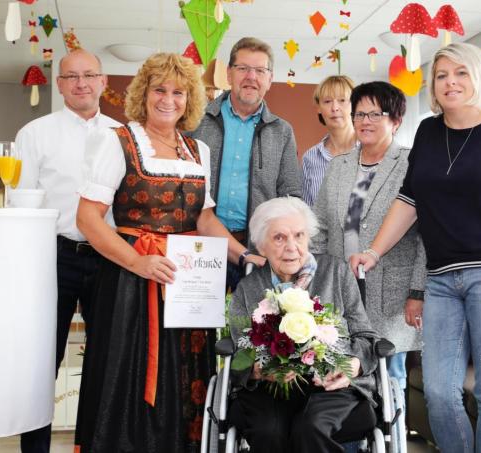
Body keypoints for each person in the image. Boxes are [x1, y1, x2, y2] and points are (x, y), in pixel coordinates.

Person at [350, 42, 481, 453]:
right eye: (442, 75)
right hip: (441, 280)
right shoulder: (428, 131)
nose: (450, 82)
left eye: (461, 73)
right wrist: (373, 252)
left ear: (478, 76)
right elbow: (410, 199)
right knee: (440, 393)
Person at [73, 52, 264, 452]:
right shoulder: (116, 142)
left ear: (189, 99)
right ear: (143, 93)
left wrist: (244, 256)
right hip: (131, 282)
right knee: (131, 372)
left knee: (185, 372)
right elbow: (88, 219)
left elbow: (205, 219)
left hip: (186, 281)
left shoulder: (197, 151)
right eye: (159, 90)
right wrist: (138, 262)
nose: (168, 100)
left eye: (179, 93)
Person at [14, 48, 121, 453]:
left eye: (89, 75)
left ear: (103, 81)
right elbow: (21, 204)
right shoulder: (34, 134)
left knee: (105, 361)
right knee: (43, 363)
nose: (81, 84)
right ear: (59, 85)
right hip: (53, 258)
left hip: (109, 258)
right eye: (71, 76)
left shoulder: (124, 136)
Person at [228, 197, 379, 453]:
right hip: (271, 390)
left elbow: (366, 336)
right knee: (268, 431)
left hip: (333, 386)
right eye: (279, 238)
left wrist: (353, 366)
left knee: (312, 427)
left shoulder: (336, 272)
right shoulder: (248, 288)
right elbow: (238, 353)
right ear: (262, 246)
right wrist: (258, 370)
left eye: (299, 235)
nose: (292, 247)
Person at [311, 81, 426, 406]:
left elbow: (426, 237)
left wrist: (417, 292)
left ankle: (393, 432)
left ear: (396, 120)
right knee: (342, 370)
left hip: (392, 292)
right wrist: (312, 278)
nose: (365, 121)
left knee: (389, 375)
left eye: (376, 114)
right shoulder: (339, 165)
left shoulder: (412, 163)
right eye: (360, 114)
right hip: (341, 288)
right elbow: (320, 227)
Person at [187, 36, 302, 292]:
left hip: (257, 254)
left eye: (260, 70)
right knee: (198, 319)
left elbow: (291, 196)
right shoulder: (196, 121)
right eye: (243, 68)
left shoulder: (282, 131)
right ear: (229, 74)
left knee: (251, 318)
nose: (251, 77)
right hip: (199, 246)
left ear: (270, 79)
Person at [301, 75, 358, 206]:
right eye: (327, 101)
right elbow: (306, 211)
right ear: (319, 108)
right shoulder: (310, 158)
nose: (335, 108)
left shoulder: (372, 151)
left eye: (342, 100)